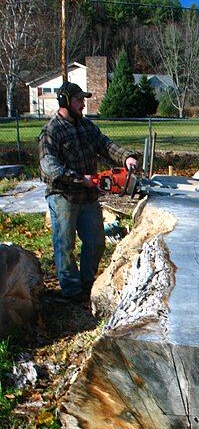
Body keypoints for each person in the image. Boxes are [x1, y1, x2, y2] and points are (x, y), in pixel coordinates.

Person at [38, 82, 138, 303]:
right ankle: (71, 290)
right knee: (64, 245)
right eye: (78, 100)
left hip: (89, 196)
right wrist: (79, 179)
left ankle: (86, 283)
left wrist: (127, 157)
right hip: (64, 196)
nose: (83, 104)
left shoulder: (86, 126)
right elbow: (49, 169)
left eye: (83, 100)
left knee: (96, 242)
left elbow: (105, 145)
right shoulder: (51, 132)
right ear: (64, 101)